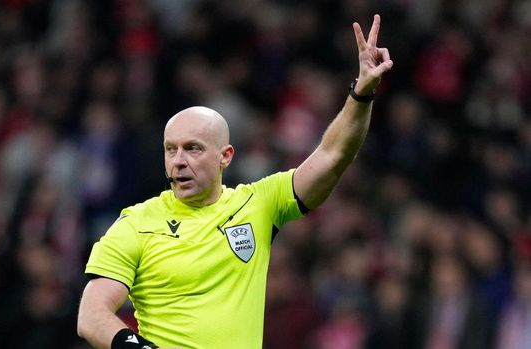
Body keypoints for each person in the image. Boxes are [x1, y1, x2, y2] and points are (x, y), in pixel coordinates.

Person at [77, 14, 393, 349]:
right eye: (171, 150)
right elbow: (92, 314)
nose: (179, 160)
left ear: (225, 156)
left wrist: (361, 93)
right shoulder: (136, 223)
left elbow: (333, 156)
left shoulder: (257, 204)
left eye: (193, 148)